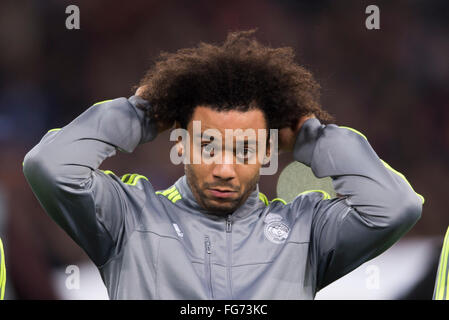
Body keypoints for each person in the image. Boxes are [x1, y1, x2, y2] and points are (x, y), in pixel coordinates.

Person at [23, 30, 424, 299]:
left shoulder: (309, 230)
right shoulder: (127, 217)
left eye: (244, 150)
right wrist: (140, 114)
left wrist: (312, 137)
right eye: (209, 146)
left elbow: (395, 208)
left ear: (269, 153)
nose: (225, 169)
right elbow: (50, 166)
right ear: (179, 143)